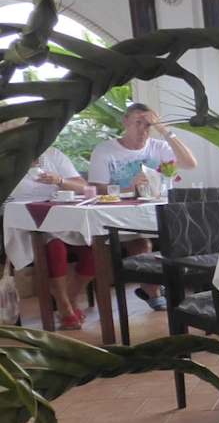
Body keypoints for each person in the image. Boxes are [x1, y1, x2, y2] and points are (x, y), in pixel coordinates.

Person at [88, 103, 199, 311]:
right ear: (125, 122)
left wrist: (163, 129)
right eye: (138, 123)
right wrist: (128, 187)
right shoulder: (105, 150)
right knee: (141, 243)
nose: (143, 130)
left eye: (148, 125)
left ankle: (176, 289)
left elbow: (190, 163)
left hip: (158, 212)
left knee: (188, 235)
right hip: (121, 215)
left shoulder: (159, 147)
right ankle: (153, 290)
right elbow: (96, 188)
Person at [6, 146, 96, 329]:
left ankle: (71, 297)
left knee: (96, 247)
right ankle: (64, 306)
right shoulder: (6, 156)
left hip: (60, 217)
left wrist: (60, 180)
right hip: (22, 223)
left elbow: (84, 187)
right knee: (55, 247)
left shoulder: (53, 154)